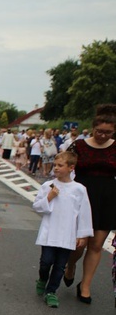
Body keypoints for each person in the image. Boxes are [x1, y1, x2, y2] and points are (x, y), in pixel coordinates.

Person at [64, 104, 116, 303]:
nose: (103, 135)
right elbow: (64, 166)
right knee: (78, 245)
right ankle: (70, 267)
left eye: (108, 132)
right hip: (81, 197)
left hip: (108, 198)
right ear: (93, 128)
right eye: (99, 131)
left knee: (96, 245)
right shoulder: (79, 145)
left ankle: (85, 286)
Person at [33, 151, 93, 308]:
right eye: (55, 165)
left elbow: (84, 213)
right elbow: (37, 207)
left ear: (71, 167)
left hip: (67, 234)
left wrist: (82, 234)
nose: (56, 168)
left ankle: (51, 292)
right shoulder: (48, 186)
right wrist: (49, 197)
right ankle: (42, 279)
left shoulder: (79, 189)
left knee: (60, 266)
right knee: (46, 262)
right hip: (50, 232)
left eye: (60, 165)